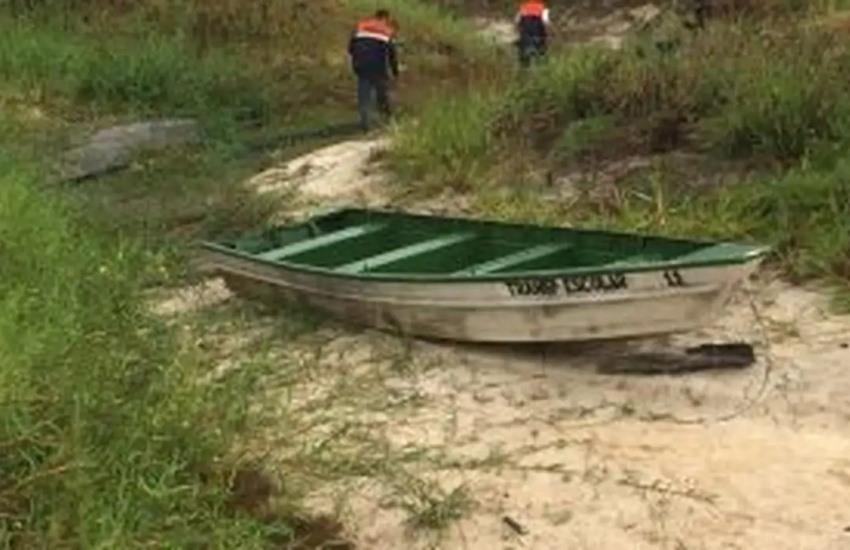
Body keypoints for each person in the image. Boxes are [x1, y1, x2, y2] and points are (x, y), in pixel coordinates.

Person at [348, 9, 399, 132]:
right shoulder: (386, 30)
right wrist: (395, 71)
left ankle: (365, 122)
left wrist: (356, 59)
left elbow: (350, 47)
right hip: (378, 65)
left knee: (364, 93)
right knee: (382, 92)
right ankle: (388, 119)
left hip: (360, 64)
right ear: (385, 18)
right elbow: (392, 54)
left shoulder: (361, 25)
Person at [515, 0, 550, 68]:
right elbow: (546, 22)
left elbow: (516, 21)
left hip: (525, 36)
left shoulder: (524, 7)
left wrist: (518, 32)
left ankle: (524, 68)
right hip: (538, 35)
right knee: (540, 53)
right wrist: (548, 34)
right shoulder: (543, 8)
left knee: (523, 54)